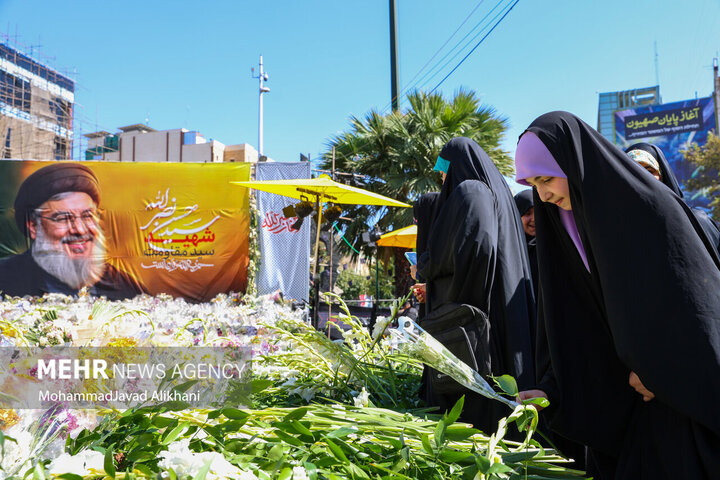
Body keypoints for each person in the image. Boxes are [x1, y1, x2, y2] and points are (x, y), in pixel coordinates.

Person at [514, 111, 720, 479]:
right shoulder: (564, 225)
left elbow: (697, 309)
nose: (542, 195)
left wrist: (661, 371)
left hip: (681, 410)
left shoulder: (652, 211)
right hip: (629, 417)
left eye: (546, 179)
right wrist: (552, 388)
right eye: (533, 183)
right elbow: (575, 320)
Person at [417, 137, 535, 433]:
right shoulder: (490, 192)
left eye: (444, 171)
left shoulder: (471, 191)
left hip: (474, 328)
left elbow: (477, 249)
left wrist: (447, 286)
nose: (442, 179)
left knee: (475, 420)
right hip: (488, 321)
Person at [0, 162, 144, 300]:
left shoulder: (124, 286)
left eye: (88, 216)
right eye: (63, 218)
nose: (80, 230)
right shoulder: (5, 279)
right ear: (34, 227)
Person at [625, 142, 720, 255]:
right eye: (633, 171)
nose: (642, 176)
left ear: (662, 175)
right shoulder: (618, 235)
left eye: (650, 171)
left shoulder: (697, 223)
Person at [513, 189, 538, 296]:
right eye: (527, 213)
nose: (534, 219)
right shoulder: (511, 250)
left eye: (538, 212)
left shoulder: (551, 248)